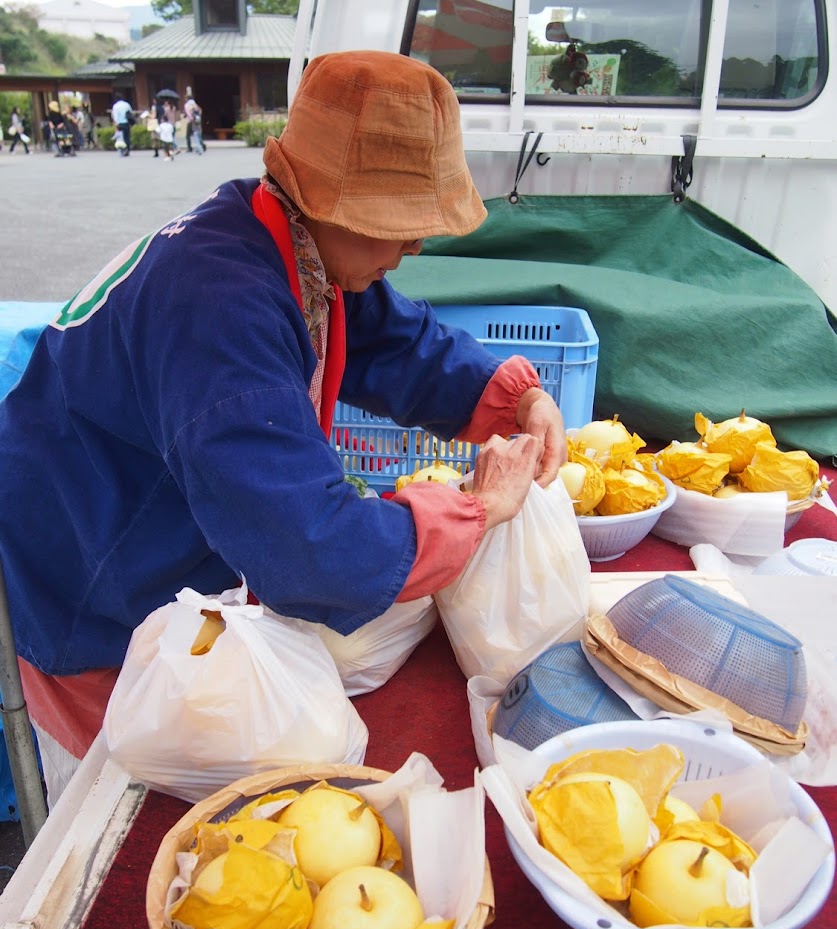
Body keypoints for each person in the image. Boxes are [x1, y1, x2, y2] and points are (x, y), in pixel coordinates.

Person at [0, 51, 566, 806]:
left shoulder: (286, 242)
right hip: (94, 583)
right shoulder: (218, 308)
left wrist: (512, 397)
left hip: (156, 547)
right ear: (324, 204)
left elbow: (392, 341)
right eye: (395, 227)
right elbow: (309, 552)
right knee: (122, 808)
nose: (412, 248)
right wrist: (473, 510)